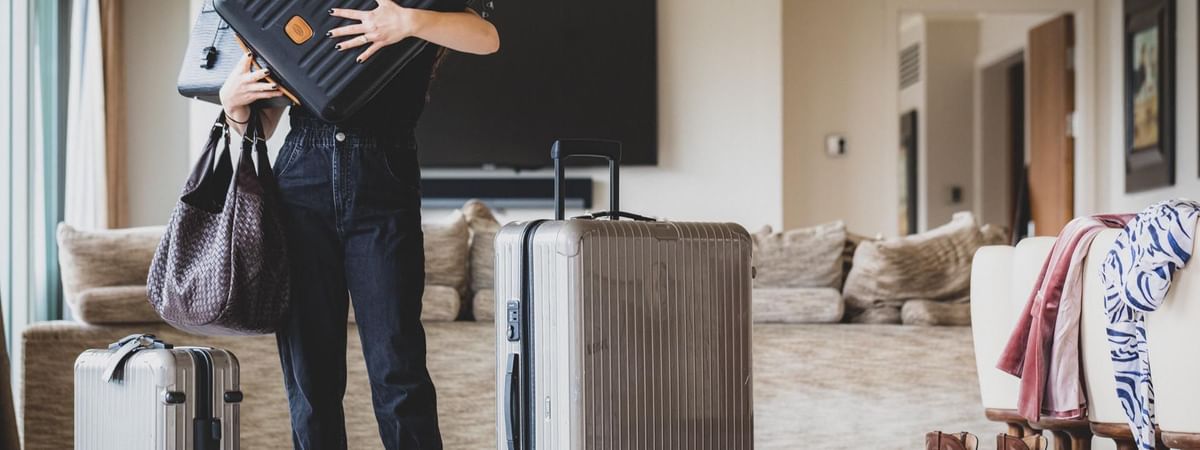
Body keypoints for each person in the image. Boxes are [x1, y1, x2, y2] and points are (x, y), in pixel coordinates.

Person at [218, 2, 499, 448]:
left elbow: (486, 38)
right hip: (301, 178)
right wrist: (234, 105)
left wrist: (407, 21)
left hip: (384, 175)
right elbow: (267, 119)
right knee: (310, 379)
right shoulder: (295, 7)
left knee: (398, 369)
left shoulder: (413, 6)